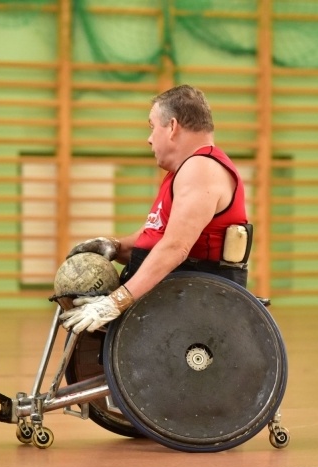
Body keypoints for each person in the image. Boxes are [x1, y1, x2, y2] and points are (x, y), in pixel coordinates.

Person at [61, 85, 249, 334]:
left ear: (172, 127)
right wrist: (115, 247)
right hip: (167, 296)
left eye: (152, 127)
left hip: (190, 304)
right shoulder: (181, 172)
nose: (149, 138)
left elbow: (175, 248)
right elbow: (153, 238)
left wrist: (115, 302)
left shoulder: (200, 168)